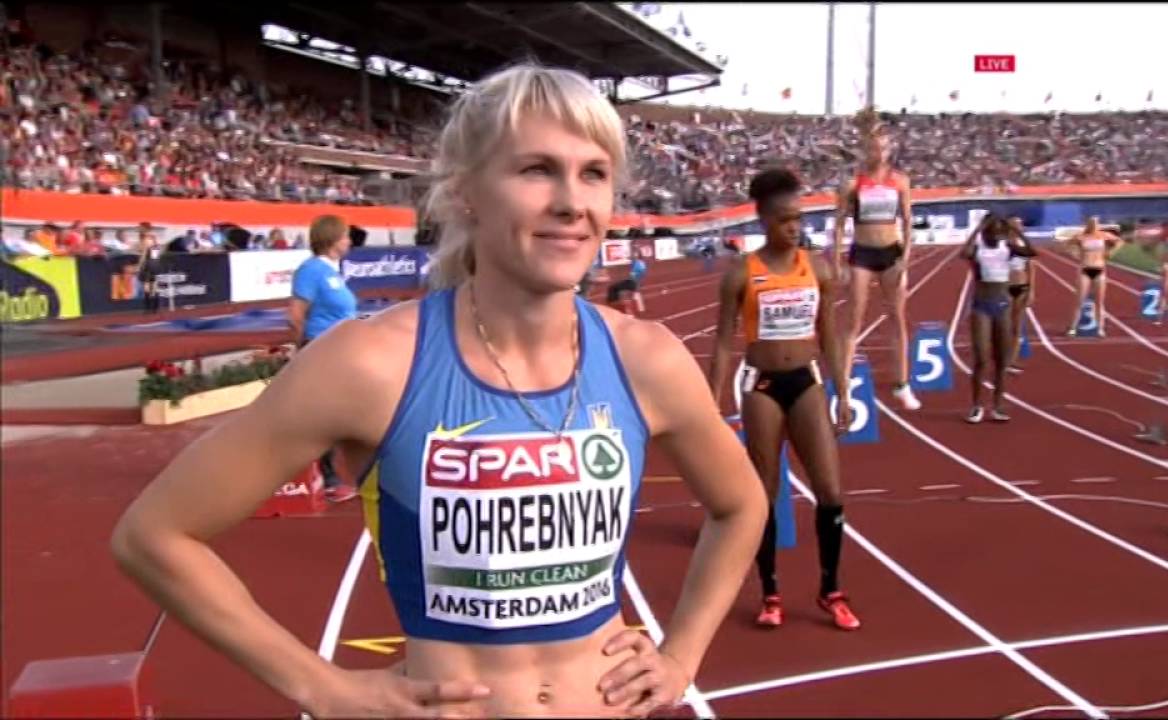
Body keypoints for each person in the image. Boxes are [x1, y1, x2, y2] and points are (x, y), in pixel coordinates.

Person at [111, 62, 766, 719]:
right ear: (465, 194)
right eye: (537, 169)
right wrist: (322, 686)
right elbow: (154, 535)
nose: (572, 201)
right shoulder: (371, 364)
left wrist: (680, 656)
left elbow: (741, 506)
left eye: (593, 172)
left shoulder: (648, 359)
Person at [708, 167, 859, 631]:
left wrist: (843, 391)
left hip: (806, 380)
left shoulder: (820, 269)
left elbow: (831, 336)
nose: (795, 227)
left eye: (798, 218)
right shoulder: (741, 273)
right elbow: (721, 343)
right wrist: (712, 405)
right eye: (784, 220)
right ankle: (770, 592)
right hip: (762, 386)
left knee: (831, 491)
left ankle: (830, 588)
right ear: (764, 222)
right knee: (764, 494)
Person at [833, 125, 921, 411]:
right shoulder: (852, 184)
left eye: (884, 148)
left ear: (890, 150)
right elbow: (838, 226)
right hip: (862, 253)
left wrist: (905, 258)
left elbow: (908, 222)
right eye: (874, 148)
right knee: (853, 320)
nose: (879, 153)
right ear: (865, 150)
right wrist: (837, 262)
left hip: (892, 253)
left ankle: (902, 384)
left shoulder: (900, 181)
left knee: (897, 317)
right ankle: (843, 389)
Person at [287, 214, 360, 503]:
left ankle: (343, 471)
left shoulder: (332, 271)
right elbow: (296, 313)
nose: (350, 241)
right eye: (345, 236)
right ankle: (328, 479)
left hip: (340, 351)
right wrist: (301, 350)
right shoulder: (312, 270)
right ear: (331, 240)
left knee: (343, 411)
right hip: (320, 348)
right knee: (325, 414)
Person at [962, 214, 1036, 422]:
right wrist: (977, 229)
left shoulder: (1008, 248)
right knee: (981, 359)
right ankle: (976, 406)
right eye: (991, 231)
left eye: (998, 231)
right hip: (981, 307)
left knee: (1001, 360)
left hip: (1002, 306)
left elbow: (1031, 252)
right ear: (985, 231)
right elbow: (964, 253)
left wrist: (1017, 231)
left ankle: (998, 405)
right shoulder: (978, 249)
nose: (995, 235)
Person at [1063, 216, 1120, 337]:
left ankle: (1100, 328)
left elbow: (1119, 242)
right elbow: (1066, 245)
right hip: (1085, 269)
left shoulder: (1103, 235)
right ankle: (1072, 328)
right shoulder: (1081, 236)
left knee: (1099, 301)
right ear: (1087, 224)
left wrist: (1110, 252)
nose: (1093, 225)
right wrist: (1075, 254)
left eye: (1096, 223)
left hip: (1100, 269)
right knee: (1079, 301)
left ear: (1098, 224)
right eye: (1091, 223)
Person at [1004, 216, 1034, 374]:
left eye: (1020, 225)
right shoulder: (1001, 244)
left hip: (1022, 287)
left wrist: (1032, 290)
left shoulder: (1024, 244)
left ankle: (1011, 361)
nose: (1019, 227)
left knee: (1016, 327)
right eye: (1015, 225)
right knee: (1005, 326)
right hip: (1005, 287)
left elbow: (1031, 268)